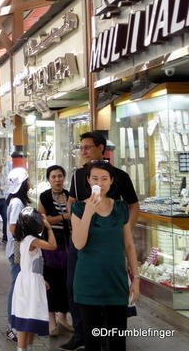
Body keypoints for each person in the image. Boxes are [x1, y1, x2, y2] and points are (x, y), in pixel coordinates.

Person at [61, 132, 138, 351]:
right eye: (81, 147)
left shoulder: (120, 178)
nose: (83, 151)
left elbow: (133, 208)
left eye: (87, 147)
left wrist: (119, 233)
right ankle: (80, 334)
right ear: (88, 180)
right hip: (86, 260)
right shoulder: (78, 176)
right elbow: (73, 208)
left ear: (101, 148)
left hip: (114, 275)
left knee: (116, 337)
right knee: (87, 321)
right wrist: (86, 214)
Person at [10, 207, 57, 350]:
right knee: (26, 317)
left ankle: (27, 348)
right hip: (29, 283)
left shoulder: (26, 239)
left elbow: (35, 262)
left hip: (29, 280)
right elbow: (53, 246)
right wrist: (49, 229)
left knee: (30, 316)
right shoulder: (32, 240)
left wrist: (41, 278)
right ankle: (22, 348)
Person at [38, 165, 72, 336]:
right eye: (54, 177)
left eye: (60, 176)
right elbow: (43, 220)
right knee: (51, 281)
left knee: (67, 280)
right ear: (49, 179)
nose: (57, 179)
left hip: (68, 242)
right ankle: (51, 320)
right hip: (51, 243)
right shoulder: (44, 197)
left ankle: (63, 317)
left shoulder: (69, 195)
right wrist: (64, 217)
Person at [4, 167, 30, 344]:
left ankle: (16, 323)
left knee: (18, 286)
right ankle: (12, 326)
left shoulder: (16, 201)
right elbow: (14, 228)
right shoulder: (17, 203)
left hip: (17, 249)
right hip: (17, 250)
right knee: (16, 286)